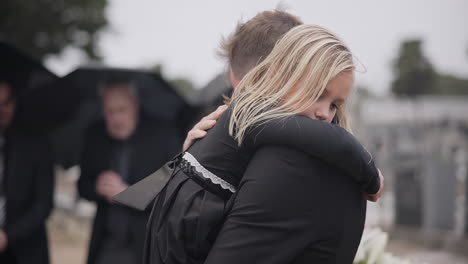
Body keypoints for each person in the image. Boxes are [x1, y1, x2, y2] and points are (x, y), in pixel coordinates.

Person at [142, 21, 383, 264]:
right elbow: (337, 141)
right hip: (182, 233)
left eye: (334, 105)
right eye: (317, 93)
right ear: (284, 77)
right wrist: (369, 171)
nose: (324, 114)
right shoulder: (252, 110)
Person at [77, 79, 181, 264]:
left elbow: (175, 191)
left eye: (121, 110)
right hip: (105, 244)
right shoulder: (96, 135)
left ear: (135, 105)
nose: (116, 119)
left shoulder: (163, 135)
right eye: (110, 112)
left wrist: (128, 193)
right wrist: (96, 186)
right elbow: (82, 186)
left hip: (147, 244)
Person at [0, 79, 54, 264]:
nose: (1, 110)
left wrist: (8, 235)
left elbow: (43, 204)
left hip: (25, 251)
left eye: (6, 103)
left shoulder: (36, 145)